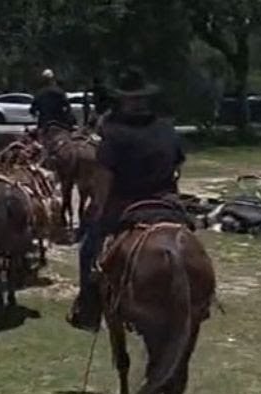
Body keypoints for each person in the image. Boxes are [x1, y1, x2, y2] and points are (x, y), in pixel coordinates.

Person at [66, 68, 187, 332]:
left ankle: (88, 309)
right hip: (167, 204)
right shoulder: (166, 128)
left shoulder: (114, 132)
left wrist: (98, 209)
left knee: (88, 249)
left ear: (123, 100)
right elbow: (177, 169)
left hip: (126, 204)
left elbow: (104, 178)